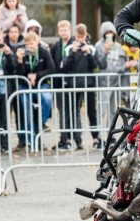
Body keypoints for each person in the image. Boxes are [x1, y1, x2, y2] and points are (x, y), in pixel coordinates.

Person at [62, 24, 99, 150]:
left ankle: (96, 138)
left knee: (91, 112)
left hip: (88, 84)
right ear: (74, 35)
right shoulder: (69, 48)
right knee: (73, 112)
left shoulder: (91, 48)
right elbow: (64, 66)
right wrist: (72, 52)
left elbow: (95, 65)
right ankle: (75, 139)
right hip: (73, 84)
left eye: (81, 37)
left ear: (85, 35)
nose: (80, 40)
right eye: (77, 37)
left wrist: (88, 53)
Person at [15, 32, 54, 150]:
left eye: (31, 43)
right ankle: (32, 142)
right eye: (27, 44)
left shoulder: (44, 52)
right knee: (27, 113)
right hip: (25, 86)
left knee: (47, 98)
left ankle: (42, 122)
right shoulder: (22, 53)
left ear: (37, 43)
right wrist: (20, 61)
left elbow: (51, 69)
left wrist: (37, 75)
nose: (29, 46)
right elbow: (19, 73)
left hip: (41, 84)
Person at [94, 21, 127, 145]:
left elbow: (122, 65)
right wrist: (105, 52)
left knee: (113, 111)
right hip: (104, 82)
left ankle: (110, 136)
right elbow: (99, 64)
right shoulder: (98, 46)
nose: (109, 35)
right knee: (101, 110)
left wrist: (121, 68)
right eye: (107, 32)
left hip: (115, 82)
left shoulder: (118, 47)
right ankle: (97, 136)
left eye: (111, 32)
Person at [50, 20, 74, 150]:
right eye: (61, 30)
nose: (63, 32)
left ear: (70, 30)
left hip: (72, 82)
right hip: (59, 83)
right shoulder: (56, 46)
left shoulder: (75, 44)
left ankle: (74, 138)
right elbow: (53, 64)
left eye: (65, 30)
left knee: (72, 111)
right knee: (62, 112)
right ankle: (64, 138)